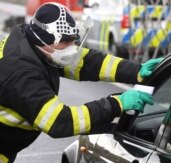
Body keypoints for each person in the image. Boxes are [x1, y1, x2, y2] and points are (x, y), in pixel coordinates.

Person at [0, 2, 162, 163]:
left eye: (73, 41)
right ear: (45, 40)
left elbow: (86, 62)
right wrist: (116, 104)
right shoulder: (22, 73)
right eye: (66, 42)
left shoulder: (31, 40)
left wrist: (135, 71)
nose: (72, 48)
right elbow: (59, 121)